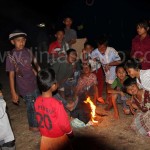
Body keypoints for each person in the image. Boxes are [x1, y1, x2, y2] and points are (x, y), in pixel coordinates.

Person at [6, 30, 41, 132]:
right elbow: (11, 75)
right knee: (31, 105)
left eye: (23, 40)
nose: (21, 42)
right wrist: (13, 92)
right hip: (24, 86)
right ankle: (33, 125)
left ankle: (38, 120)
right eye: (18, 40)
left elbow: (33, 64)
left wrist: (37, 72)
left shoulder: (28, 51)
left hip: (34, 83)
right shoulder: (11, 56)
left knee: (37, 102)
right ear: (13, 42)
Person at [35, 68, 73, 150]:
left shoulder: (37, 101)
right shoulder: (57, 104)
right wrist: (70, 133)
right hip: (58, 139)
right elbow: (64, 124)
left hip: (45, 138)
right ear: (53, 86)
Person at [91, 35, 121, 108]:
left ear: (106, 46)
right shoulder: (95, 51)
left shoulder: (111, 50)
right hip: (106, 72)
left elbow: (119, 61)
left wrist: (109, 64)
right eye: (99, 47)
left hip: (114, 71)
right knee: (108, 85)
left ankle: (110, 104)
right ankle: (109, 99)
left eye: (103, 47)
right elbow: (92, 57)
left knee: (111, 87)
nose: (101, 49)